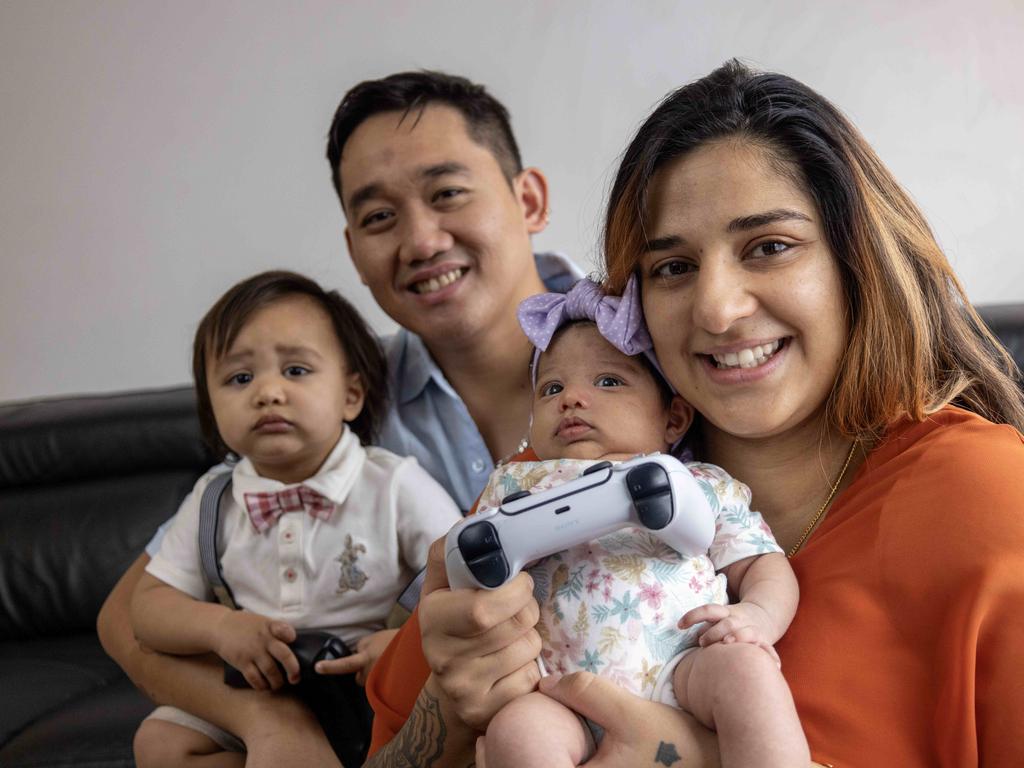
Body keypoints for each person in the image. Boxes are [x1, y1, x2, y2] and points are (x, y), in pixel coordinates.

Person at [364, 60, 1024, 767]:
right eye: (673, 267)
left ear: (855, 260)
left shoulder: (991, 502)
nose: (715, 308)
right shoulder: (552, 483)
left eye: (769, 247)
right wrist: (449, 708)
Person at [97, 71, 581, 767]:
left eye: (447, 193)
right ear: (353, 249)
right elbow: (123, 618)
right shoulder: (342, 405)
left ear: (527, 199)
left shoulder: (641, 341)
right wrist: (269, 722)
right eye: (379, 217)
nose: (419, 241)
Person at [129, 270, 461, 767]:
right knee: (158, 745)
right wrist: (221, 628)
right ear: (211, 406)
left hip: (371, 680)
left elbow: (462, 579)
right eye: (240, 378)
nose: (267, 392)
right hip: (261, 690)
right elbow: (148, 607)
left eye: (296, 371)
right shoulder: (214, 499)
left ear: (351, 394)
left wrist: (404, 647)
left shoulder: (393, 485)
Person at [479, 277, 807, 768]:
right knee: (515, 730)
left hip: (684, 662)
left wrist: (756, 617)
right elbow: (470, 571)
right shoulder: (515, 483)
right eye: (551, 388)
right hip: (557, 690)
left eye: (608, 381)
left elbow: (762, 563)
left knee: (748, 673)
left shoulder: (698, 483)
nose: (570, 398)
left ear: (673, 419)